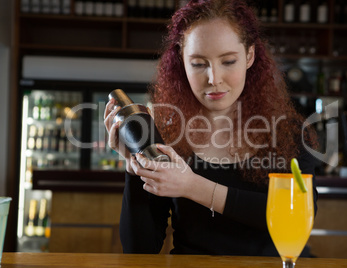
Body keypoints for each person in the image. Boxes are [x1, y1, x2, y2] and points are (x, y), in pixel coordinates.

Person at [104, 0, 318, 256]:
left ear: (249, 56)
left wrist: (192, 186)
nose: (214, 79)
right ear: (181, 61)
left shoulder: (289, 132)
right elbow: (139, 249)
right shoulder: (167, 136)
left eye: (228, 61)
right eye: (198, 63)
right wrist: (134, 168)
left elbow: (294, 216)